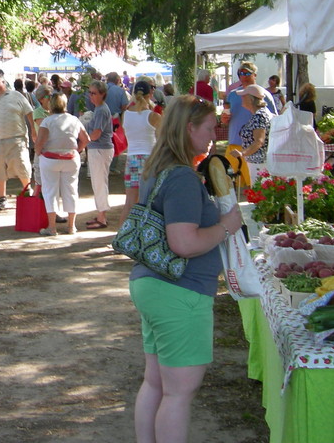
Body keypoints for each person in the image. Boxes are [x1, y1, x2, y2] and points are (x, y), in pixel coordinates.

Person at [130, 95, 243, 443]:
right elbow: (184, 242)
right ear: (189, 128)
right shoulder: (181, 178)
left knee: (156, 382)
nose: (214, 133)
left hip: (155, 285)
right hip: (180, 291)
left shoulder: (157, 168)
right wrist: (227, 225)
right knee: (178, 393)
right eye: (209, 127)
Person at [0, 74, 36, 211]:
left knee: (22, 167)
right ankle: (2, 199)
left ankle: (29, 192)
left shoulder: (16, 96)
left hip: (16, 139)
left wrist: (33, 130)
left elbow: (30, 112)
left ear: (3, 82)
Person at [35, 93, 89, 235]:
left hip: (50, 159)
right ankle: (71, 226)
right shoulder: (74, 120)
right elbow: (86, 139)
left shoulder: (47, 121)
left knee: (50, 191)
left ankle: (52, 228)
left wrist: (39, 152)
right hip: (70, 158)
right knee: (71, 191)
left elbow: (39, 143)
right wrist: (77, 150)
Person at [122, 81, 162, 214]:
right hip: (149, 159)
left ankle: (123, 233)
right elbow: (163, 138)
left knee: (129, 202)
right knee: (150, 201)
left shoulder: (125, 115)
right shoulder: (153, 116)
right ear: (149, 94)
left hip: (131, 159)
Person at [220, 62, 277, 145]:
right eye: (241, 73)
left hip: (256, 146)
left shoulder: (263, 94)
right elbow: (226, 119)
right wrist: (224, 119)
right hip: (235, 143)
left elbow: (274, 121)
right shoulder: (233, 94)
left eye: (247, 73)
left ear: (255, 75)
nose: (244, 76)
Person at [83, 81, 115, 229]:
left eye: (94, 93)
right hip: (99, 149)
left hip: (100, 149)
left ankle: (102, 217)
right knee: (98, 183)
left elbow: (96, 134)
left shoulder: (101, 110)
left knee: (99, 183)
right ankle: (101, 214)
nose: (91, 96)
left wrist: (83, 139)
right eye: (90, 93)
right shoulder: (99, 109)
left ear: (102, 94)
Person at [237, 85, 274, 164]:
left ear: (251, 99)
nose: (241, 98)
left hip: (259, 163)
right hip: (259, 162)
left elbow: (259, 141)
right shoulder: (261, 113)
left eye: (244, 96)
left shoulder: (259, 116)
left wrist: (242, 153)